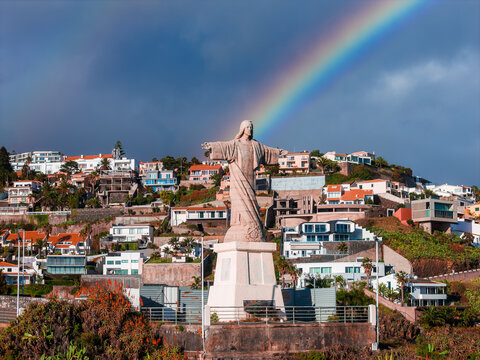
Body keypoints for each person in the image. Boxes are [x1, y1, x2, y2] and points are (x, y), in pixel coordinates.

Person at [202, 120, 287, 242]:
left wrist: (279, 153)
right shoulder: (235, 144)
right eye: (247, 127)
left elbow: (267, 151)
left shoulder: (256, 145)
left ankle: (254, 227)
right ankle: (242, 225)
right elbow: (223, 146)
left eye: (251, 127)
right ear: (242, 129)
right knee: (238, 202)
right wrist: (211, 146)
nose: (250, 129)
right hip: (238, 180)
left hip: (251, 180)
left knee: (251, 200)